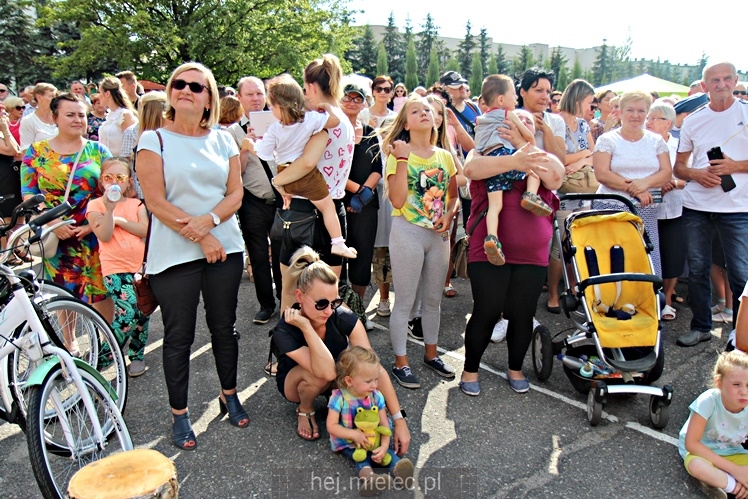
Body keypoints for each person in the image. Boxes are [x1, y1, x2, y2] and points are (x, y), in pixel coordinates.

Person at [136, 62, 247, 450]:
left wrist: (210, 223)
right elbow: (155, 201)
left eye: (195, 86)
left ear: (209, 98)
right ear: (170, 93)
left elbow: (236, 194)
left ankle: (229, 393)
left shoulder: (225, 140)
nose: (185, 89)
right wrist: (200, 236)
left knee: (224, 328)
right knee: (178, 336)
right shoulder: (154, 141)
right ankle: (179, 414)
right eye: (178, 84)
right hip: (174, 255)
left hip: (225, 247)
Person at [459, 115, 564, 396]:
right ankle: (470, 369)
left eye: (528, 123)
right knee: (488, 309)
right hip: (490, 248)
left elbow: (555, 178)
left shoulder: (541, 156)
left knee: (522, 313)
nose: (523, 125)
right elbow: (472, 170)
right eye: (518, 121)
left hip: (532, 253)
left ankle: (515, 368)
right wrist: (516, 156)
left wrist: (526, 145)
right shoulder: (483, 151)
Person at [272, 247, 410, 453]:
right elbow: (325, 372)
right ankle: (305, 409)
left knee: (358, 369)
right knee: (319, 376)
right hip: (298, 382)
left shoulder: (342, 316)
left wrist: (399, 420)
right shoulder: (285, 329)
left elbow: (373, 367)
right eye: (321, 304)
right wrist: (307, 327)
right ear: (299, 296)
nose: (329, 310)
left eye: (334, 302)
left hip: (335, 376)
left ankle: (335, 397)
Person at [21, 93, 114, 347]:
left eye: (81, 115)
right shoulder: (37, 152)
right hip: (57, 236)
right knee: (65, 290)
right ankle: (69, 342)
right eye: (70, 115)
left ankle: (107, 345)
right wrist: (52, 224)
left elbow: (113, 191)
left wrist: (90, 225)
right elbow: (29, 194)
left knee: (101, 289)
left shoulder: (98, 151)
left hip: (93, 233)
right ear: (55, 118)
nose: (77, 120)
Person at [381, 95, 460, 389]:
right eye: (415, 110)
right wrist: (401, 158)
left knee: (432, 301)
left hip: (438, 235)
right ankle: (401, 362)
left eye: (427, 109)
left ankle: (431, 354)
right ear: (405, 122)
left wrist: (450, 217)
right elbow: (399, 200)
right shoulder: (398, 155)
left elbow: (453, 197)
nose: (424, 113)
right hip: (408, 232)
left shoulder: (445, 156)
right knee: (404, 301)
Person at [674, 62, 748, 348]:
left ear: (735, 81)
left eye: (727, 78)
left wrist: (735, 165)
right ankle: (701, 326)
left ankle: (739, 334)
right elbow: (679, 168)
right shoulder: (693, 120)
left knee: (741, 274)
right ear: (704, 86)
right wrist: (696, 174)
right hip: (697, 206)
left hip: (738, 208)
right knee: (697, 269)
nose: (721, 84)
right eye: (714, 80)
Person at [272, 54, 354, 311]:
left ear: (310, 87)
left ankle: (291, 349)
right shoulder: (342, 118)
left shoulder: (317, 119)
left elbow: (306, 163)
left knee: (290, 294)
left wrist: (278, 181)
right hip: (334, 213)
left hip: (304, 212)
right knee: (327, 299)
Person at [245, 74, 356, 259]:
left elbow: (264, 154)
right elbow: (334, 121)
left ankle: (285, 194)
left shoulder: (274, 129)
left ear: (278, 106)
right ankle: (338, 242)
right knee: (328, 207)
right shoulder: (310, 119)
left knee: (287, 192)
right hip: (305, 176)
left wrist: (251, 144)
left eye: (270, 105)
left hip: (285, 174)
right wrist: (328, 107)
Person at [475, 75, 552, 267]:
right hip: (508, 156)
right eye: (513, 95)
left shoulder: (480, 119)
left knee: (495, 206)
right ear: (501, 100)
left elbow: (479, 145)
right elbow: (528, 137)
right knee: (532, 166)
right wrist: (528, 142)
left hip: (491, 164)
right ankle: (530, 195)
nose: (516, 100)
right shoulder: (508, 114)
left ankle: (492, 238)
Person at [592, 91, 672, 277]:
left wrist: (644, 184)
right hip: (612, 207)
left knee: (646, 256)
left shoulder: (656, 141)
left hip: (646, 206)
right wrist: (634, 189)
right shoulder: (607, 140)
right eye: (630, 110)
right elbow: (602, 173)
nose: (635, 115)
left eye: (641, 110)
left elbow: (666, 172)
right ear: (620, 112)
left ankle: (648, 301)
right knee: (614, 256)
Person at [225, 76, 282, 325]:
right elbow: (235, 171)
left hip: (281, 197)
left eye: (259, 93)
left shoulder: (280, 123)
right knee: (258, 256)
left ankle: (286, 300)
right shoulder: (232, 132)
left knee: (283, 254)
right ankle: (266, 304)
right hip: (253, 200)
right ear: (239, 98)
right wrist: (246, 146)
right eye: (250, 95)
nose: (256, 99)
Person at [86, 158, 150, 377]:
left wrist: (121, 221)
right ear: (101, 181)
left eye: (120, 178)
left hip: (140, 266)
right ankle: (102, 359)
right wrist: (110, 210)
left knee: (143, 311)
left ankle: (137, 355)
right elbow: (104, 234)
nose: (114, 182)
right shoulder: (95, 206)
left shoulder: (137, 204)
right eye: (108, 177)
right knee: (127, 312)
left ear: (129, 181)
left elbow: (144, 230)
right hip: (115, 268)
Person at [326, 346, 414, 494]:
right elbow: (331, 426)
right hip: (350, 442)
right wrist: (354, 435)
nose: (374, 385)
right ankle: (370, 480)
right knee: (362, 459)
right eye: (368, 381)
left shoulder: (376, 395)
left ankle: (401, 471)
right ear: (349, 380)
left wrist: (385, 445)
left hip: (375, 438)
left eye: (376, 379)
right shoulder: (339, 397)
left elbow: (384, 423)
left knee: (388, 455)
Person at [546, 79, 597, 313]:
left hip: (583, 190)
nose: (591, 107)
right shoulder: (554, 120)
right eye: (589, 102)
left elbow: (594, 154)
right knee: (560, 243)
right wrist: (583, 156)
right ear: (578, 99)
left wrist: (582, 159)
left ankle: (574, 286)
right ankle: (554, 293)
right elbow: (559, 158)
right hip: (561, 191)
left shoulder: (584, 125)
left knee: (579, 242)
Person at [678, 350, 748, 499]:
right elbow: (692, 444)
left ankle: (719, 482)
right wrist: (736, 470)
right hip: (701, 454)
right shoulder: (708, 401)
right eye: (736, 384)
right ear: (719, 383)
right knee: (697, 466)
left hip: (734, 453)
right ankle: (733, 486)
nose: (744, 392)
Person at [341, 82, 382, 303]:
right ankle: (334, 307)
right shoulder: (333, 131)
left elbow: (378, 168)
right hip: (337, 202)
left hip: (365, 205)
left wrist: (364, 194)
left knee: (362, 255)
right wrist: (357, 191)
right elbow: (330, 169)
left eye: (358, 99)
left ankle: (356, 308)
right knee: (336, 255)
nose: (352, 102)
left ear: (364, 102)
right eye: (348, 98)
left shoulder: (370, 133)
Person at [647, 101, 686, 321]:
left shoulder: (679, 146)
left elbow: (690, 176)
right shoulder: (643, 143)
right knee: (649, 255)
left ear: (668, 123)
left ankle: (667, 300)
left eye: (655, 118)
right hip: (646, 207)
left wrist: (675, 183)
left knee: (672, 256)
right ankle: (649, 299)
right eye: (648, 118)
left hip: (673, 209)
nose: (649, 122)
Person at [516, 68, 567, 165]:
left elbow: (560, 162)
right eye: (539, 90)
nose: (545, 97)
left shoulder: (556, 121)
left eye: (548, 92)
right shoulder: (512, 118)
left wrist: (546, 130)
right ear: (523, 92)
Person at [97, 76, 137, 157]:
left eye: (100, 93)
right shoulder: (110, 115)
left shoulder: (125, 115)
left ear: (107, 94)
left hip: (121, 164)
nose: (98, 96)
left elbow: (131, 144)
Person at [0, 101, 22, 226]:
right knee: (7, 221)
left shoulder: (3, 132)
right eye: (2, 114)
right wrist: (5, 128)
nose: (5, 117)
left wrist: (5, 129)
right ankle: (7, 246)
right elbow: (11, 150)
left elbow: (17, 149)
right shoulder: (4, 130)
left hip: (11, 177)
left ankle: (17, 246)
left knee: (19, 218)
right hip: (3, 181)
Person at [19, 83, 58, 151]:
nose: (55, 100)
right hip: (41, 160)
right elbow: (26, 150)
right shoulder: (28, 121)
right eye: (51, 96)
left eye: (56, 97)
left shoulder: (61, 118)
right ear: (39, 97)